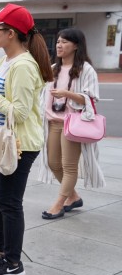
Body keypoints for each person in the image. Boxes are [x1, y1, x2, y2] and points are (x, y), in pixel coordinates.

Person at [0, 3, 53, 275]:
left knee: (9, 201)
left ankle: (13, 262)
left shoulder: (25, 66)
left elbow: (19, 112)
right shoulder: (6, 61)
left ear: (12, 33)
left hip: (20, 144)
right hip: (1, 139)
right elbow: (2, 105)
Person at [40, 28, 105, 218]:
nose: (59, 45)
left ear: (76, 46)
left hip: (73, 124)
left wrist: (67, 94)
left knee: (69, 166)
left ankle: (59, 204)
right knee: (53, 163)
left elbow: (92, 98)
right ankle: (74, 197)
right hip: (53, 122)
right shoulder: (53, 68)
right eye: (58, 41)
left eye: (65, 42)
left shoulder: (86, 69)